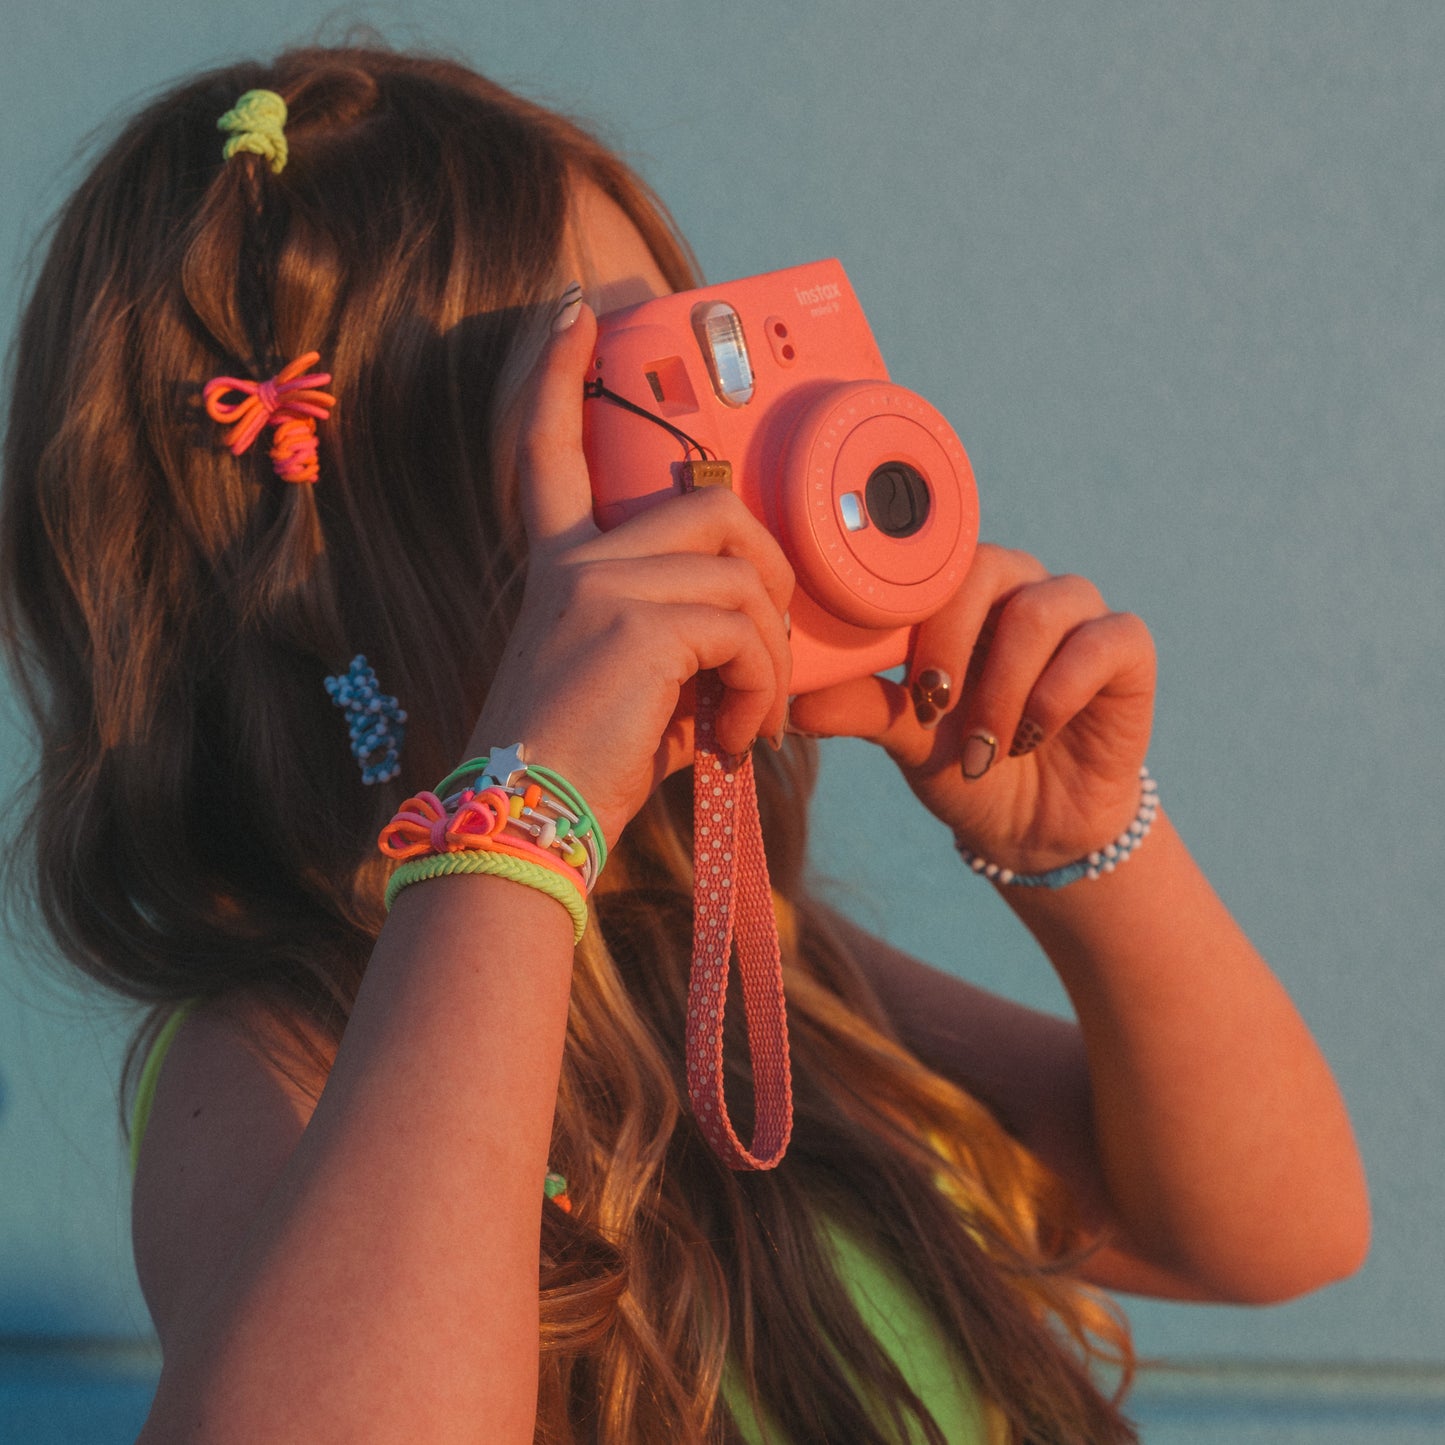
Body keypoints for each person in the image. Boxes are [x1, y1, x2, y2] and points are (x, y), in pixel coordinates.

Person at [0, 45, 1368, 1445]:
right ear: (354, 538)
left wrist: (1083, 847)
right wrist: (529, 802)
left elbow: (1276, 1234)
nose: (729, 462)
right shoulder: (269, 1057)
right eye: (640, 388)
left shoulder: (738, 958)